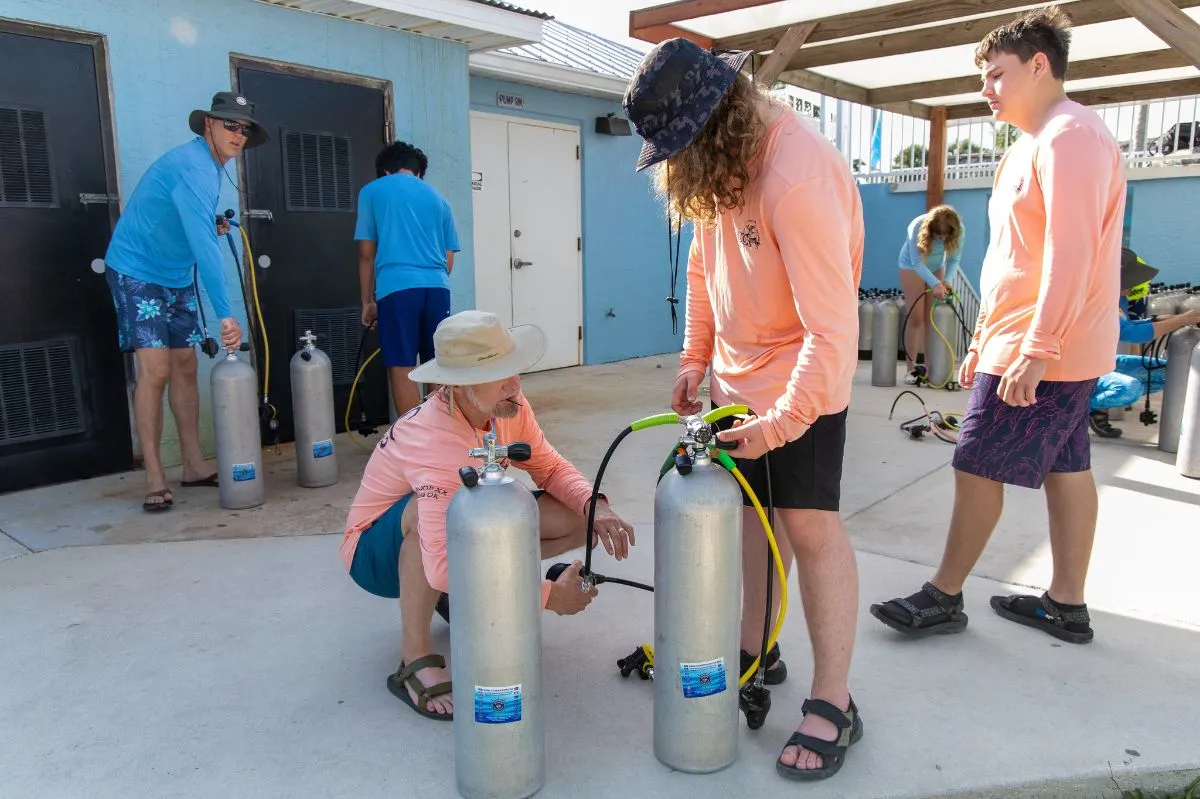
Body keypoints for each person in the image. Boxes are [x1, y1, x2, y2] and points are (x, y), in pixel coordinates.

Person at [623, 38, 865, 780]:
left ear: (716, 117)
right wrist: (697, 358)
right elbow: (704, 265)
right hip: (735, 385)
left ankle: (835, 701)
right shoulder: (722, 164)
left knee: (809, 527)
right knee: (754, 527)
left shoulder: (797, 174)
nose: (677, 164)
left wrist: (782, 423)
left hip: (803, 382)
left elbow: (833, 332)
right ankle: (757, 649)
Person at [870, 7, 1125, 646]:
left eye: (996, 75)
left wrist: (1033, 348)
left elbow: (1073, 254)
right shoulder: (1029, 145)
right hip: (1023, 342)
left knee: (974, 462)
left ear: (1040, 66)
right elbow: (1010, 259)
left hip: (1045, 349)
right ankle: (1067, 605)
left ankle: (944, 596)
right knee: (1067, 467)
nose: (986, 89)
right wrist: (983, 339)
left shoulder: (1071, 136)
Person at [339, 310, 635, 720]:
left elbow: (548, 466)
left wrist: (593, 504)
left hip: (447, 539)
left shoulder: (506, 405)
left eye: (514, 369)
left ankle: (471, 595)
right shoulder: (434, 441)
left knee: (572, 516)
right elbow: (442, 565)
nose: (515, 384)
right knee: (431, 519)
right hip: (375, 554)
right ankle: (413, 657)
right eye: (500, 374)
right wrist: (547, 598)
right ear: (458, 386)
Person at [103, 91, 263, 513]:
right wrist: (225, 313)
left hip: (174, 275)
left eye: (244, 128)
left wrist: (213, 223)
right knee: (154, 370)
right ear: (207, 124)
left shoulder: (212, 170)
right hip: (137, 270)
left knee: (186, 365)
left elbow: (194, 226)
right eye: (230, 124)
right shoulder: (192, 166)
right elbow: (203, 247)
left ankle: (193, 464)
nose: (238, 135)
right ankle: (154, 474)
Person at [355, 141, 461, 417]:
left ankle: (413, 444)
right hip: (438, 289)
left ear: (385, 172)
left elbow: (367, 254)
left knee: (402, 365)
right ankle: (438, 436)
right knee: (436, 363)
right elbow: (449, 257)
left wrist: (368, 301)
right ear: (418, 172)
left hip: (397, 289)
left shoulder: (372, 191)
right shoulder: (440, 199)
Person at [1089, 249, 1200, 438]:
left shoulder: (1119, 298)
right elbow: (1131, 333)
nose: (1134, 285)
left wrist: (1169, 318)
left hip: (1105, 363)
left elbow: (1127, 324)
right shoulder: (1095, 300)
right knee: (1129, 388)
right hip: (1083, 371)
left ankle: (1094, 407)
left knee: (1168, 372)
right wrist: (1180, 321)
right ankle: (1082, 407)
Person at [897, 206, 964, 384]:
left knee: (931, 320)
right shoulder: (916, 226)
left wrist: (947, 281)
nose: (942, 239)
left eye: (945, 236)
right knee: (917, 318)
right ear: (930, 230)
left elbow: (954, 259)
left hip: (936, 267)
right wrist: (936, 284)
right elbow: (917, 263)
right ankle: (911, 369)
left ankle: (930, 366)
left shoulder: (958, 230)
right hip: (911, 267)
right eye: (937, 235)